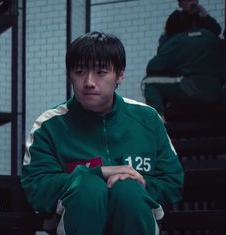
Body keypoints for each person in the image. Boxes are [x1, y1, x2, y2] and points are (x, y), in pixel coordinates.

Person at [21, 31, 184, 235]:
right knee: (89, 188)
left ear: (120, 75)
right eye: (80, 71)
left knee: (128, 190)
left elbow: (172, 181)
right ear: (69, 75)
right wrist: (95, 174)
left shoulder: (148, 119)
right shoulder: (49, 125)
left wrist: (137, 186)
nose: (89, 81)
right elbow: (37, 185)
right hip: (77, 221)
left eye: (101, 72)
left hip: (135, 219)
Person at [142, 13, 224, 117]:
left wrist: (165, 37)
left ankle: (158, 124)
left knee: (149, 82)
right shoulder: (212, 37)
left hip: (191, 88)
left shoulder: (177, 40)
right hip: (217, 90)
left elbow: (153, 66)